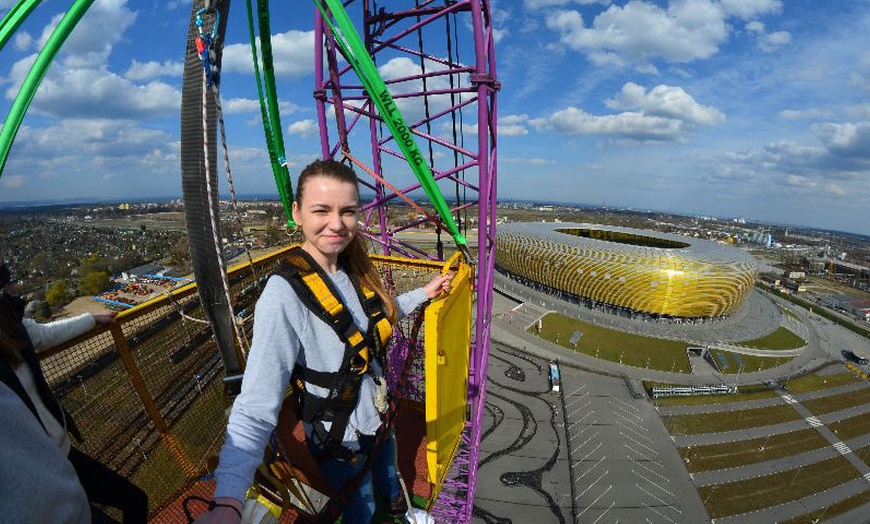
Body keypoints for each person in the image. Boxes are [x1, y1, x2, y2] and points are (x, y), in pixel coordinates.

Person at [197, 159, 453, 523]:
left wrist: (423, 294)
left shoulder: (353, 269)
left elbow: (374, 322)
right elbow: (256, 403)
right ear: (298, 214)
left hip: (376, 417)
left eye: (347, 212)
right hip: (340, 436)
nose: (337, 223)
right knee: (360, 509)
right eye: (322, 210)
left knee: (388, 475)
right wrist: (227, 501)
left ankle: (399, 508)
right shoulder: (284, 294)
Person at [0, 262, 149, 523]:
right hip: (37, 474)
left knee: (135, 499)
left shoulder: (10, 322)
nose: (12, 289)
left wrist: (91, 319)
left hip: (60, 451)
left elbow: (43, 335)